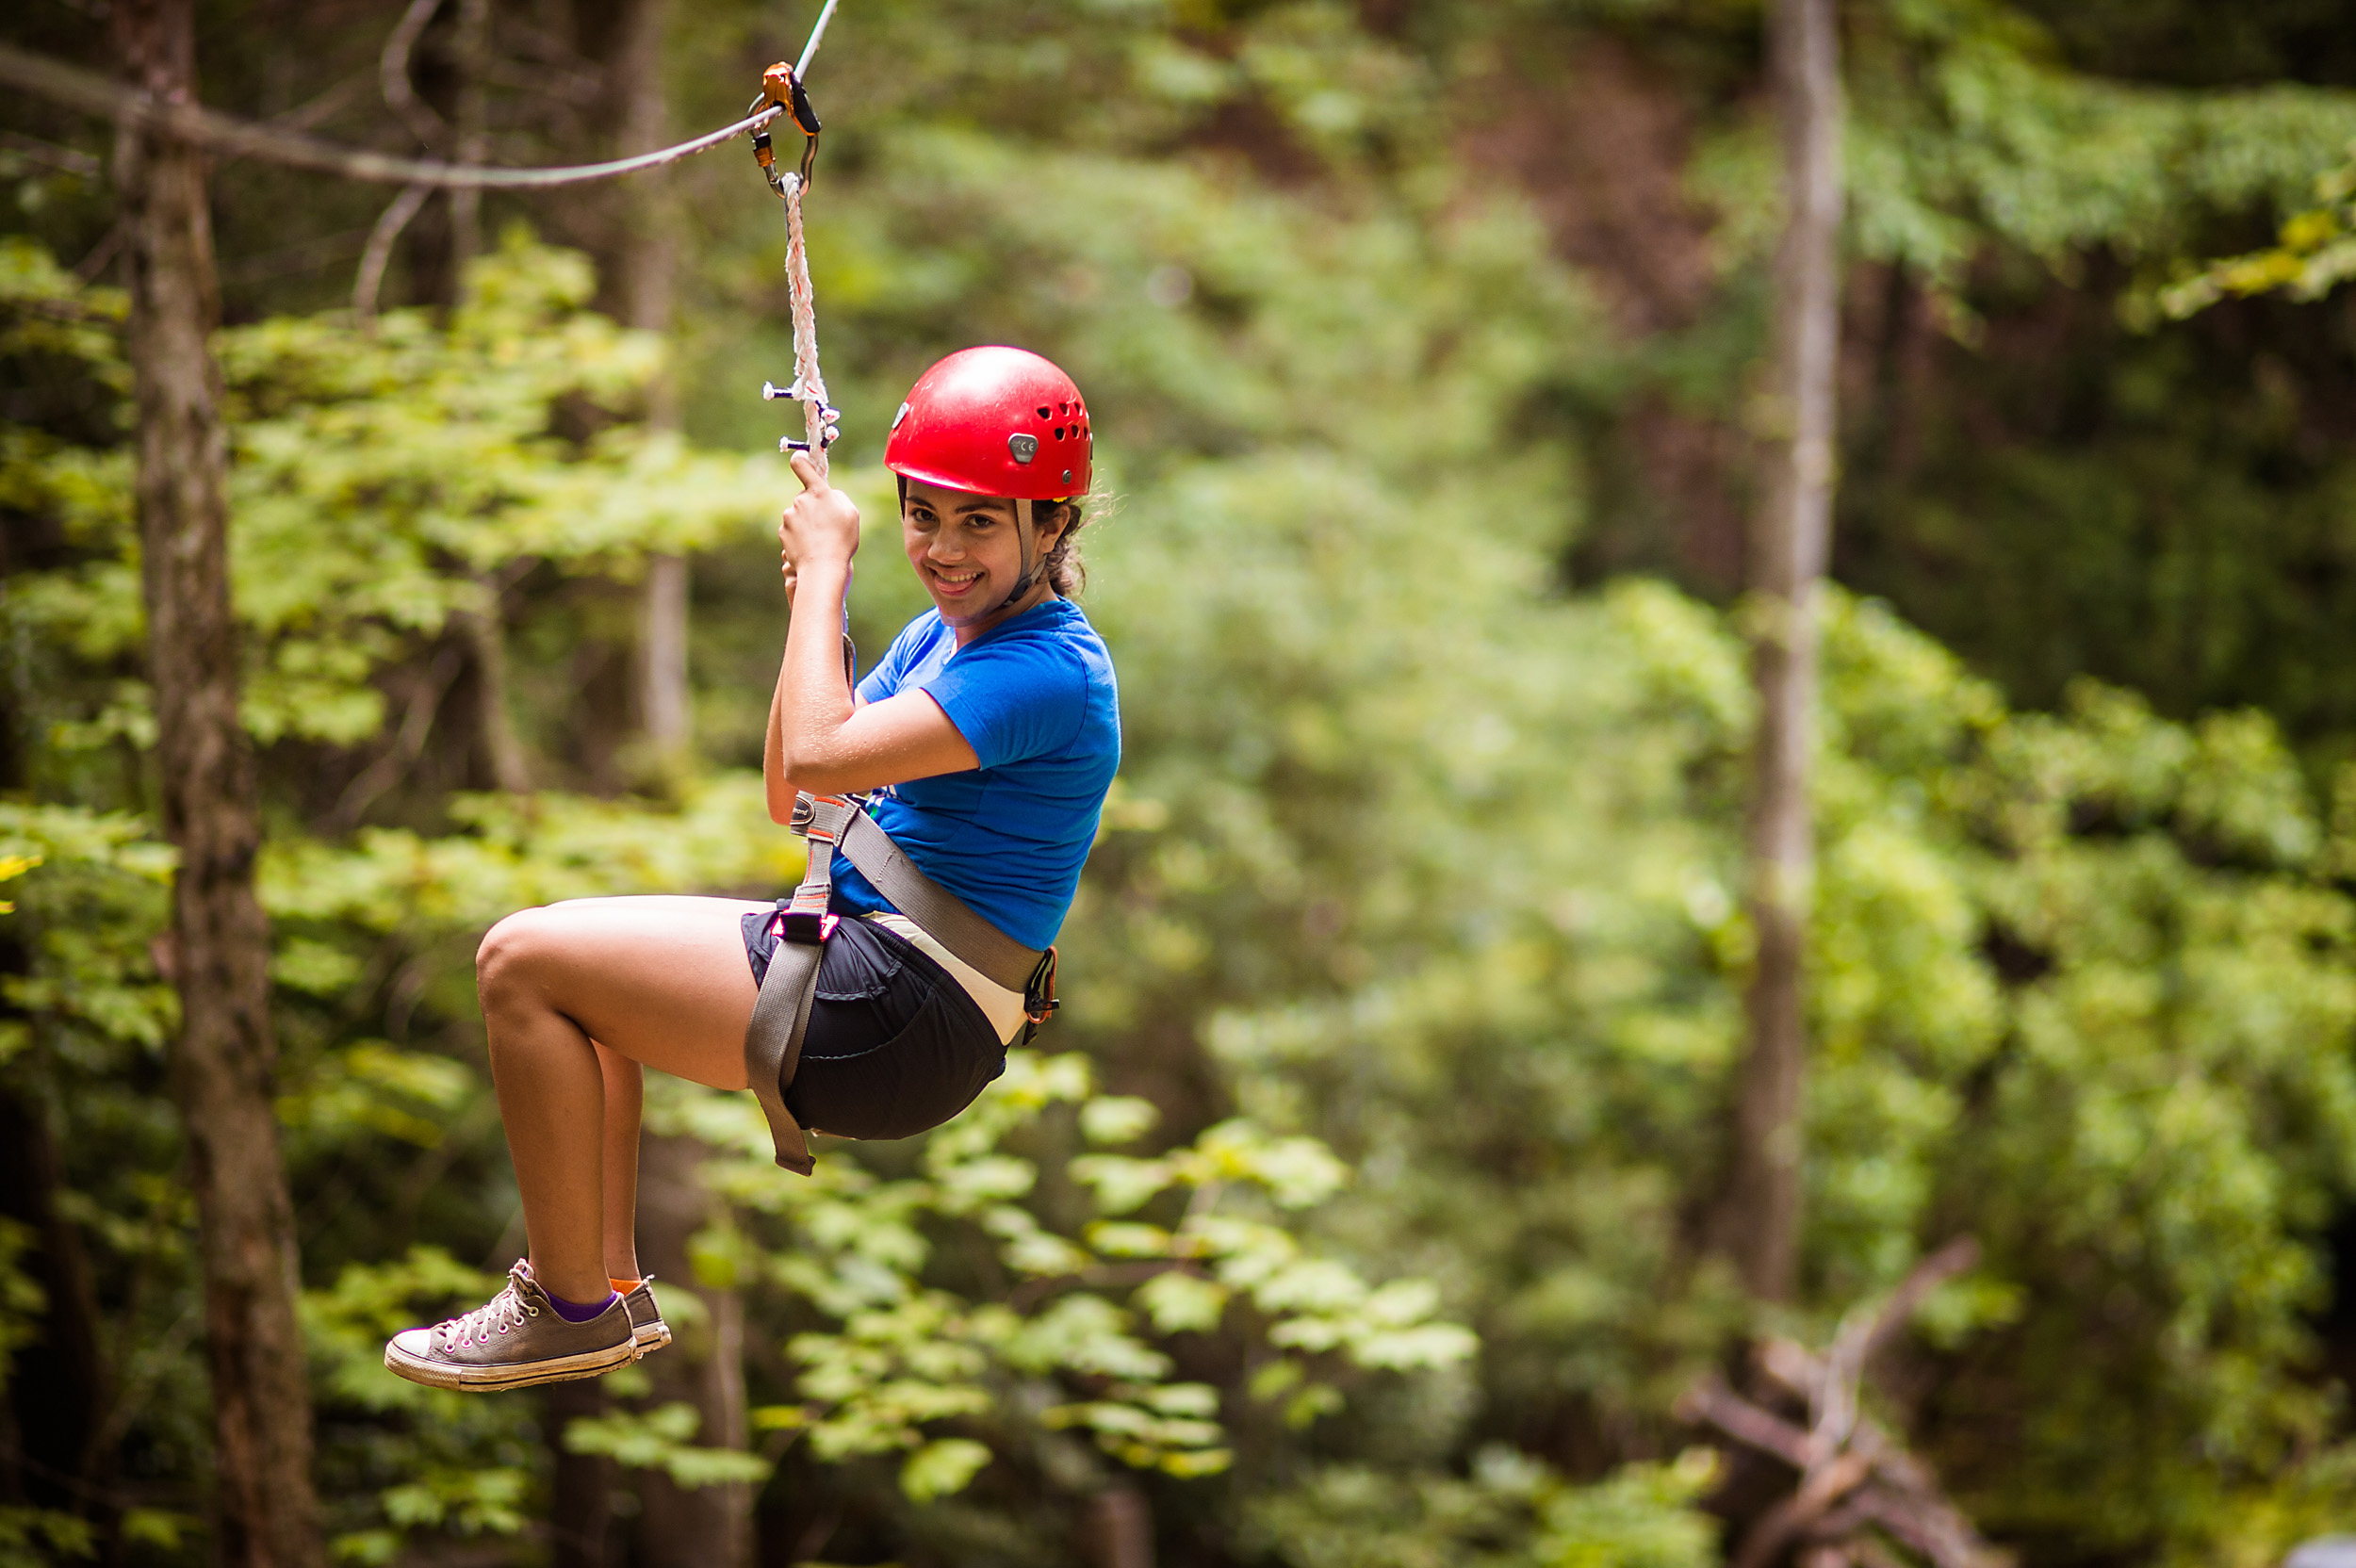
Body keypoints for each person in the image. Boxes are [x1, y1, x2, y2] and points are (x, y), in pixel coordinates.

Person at [384, 347, 1120, 1391]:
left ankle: (567, 1306)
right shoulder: (942, 638)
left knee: (520, 961)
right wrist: (810, 606)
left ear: (1051, 526)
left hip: (903, 1003)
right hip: (880, 978)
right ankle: (602, 1291)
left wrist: (824, 578)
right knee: (578, 988)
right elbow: (793, 792)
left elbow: (817, 753)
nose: (943, 548)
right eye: (923, 516)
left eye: (979, 522)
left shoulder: (1047, 670)